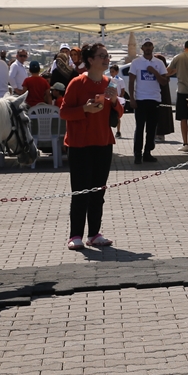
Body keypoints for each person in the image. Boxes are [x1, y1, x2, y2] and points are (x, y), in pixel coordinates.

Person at [59, 42, 123, 250]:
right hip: (79, 144)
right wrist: (84, 109)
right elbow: (64, 112)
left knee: (98, 192)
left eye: (107, 56)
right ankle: (75, 235)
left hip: (103, 143)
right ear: (90, 60)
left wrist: (114, 102)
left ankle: (94, 234)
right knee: (80, 192)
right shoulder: (77, 83)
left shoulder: (109, 82)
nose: (106, 59)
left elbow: (118, 112)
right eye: (102, 55)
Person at [128, 40, 167, 164]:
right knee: (139, 128)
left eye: (150, 46)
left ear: (153, 48)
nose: (148, 48)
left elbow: (164, 82)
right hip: (140, 100)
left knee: (151, 129)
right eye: (146, 46)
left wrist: (154, 72)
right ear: (142, 48)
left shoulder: (159, 63)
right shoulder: (136, 63)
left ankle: (147, 152)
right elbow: (131, 81)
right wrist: (132, 99)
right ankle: (137, 154)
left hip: (154, 99)